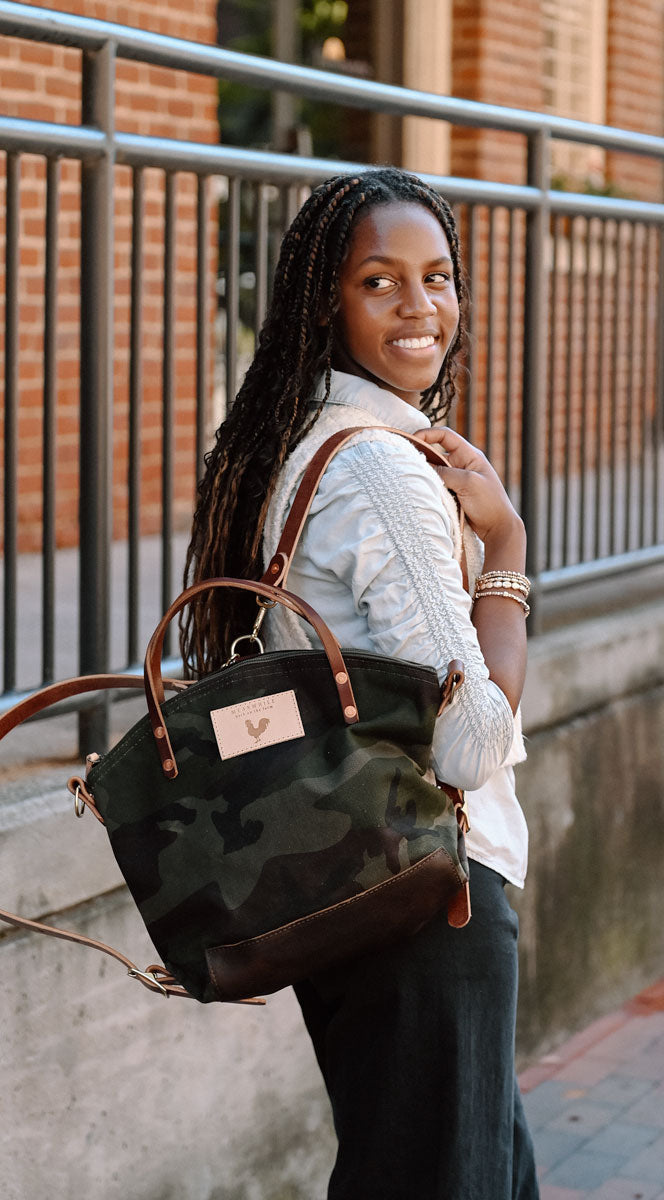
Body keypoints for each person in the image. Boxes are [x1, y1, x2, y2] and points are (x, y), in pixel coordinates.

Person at [180, 167, 539, 1200]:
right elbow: (466, 740)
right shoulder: (380, 469)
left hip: (349, 877)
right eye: (377, 281)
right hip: (427, 892)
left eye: (435, 276)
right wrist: (506, 549)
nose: (419, 307)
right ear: (321, 301)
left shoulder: (295, 440)